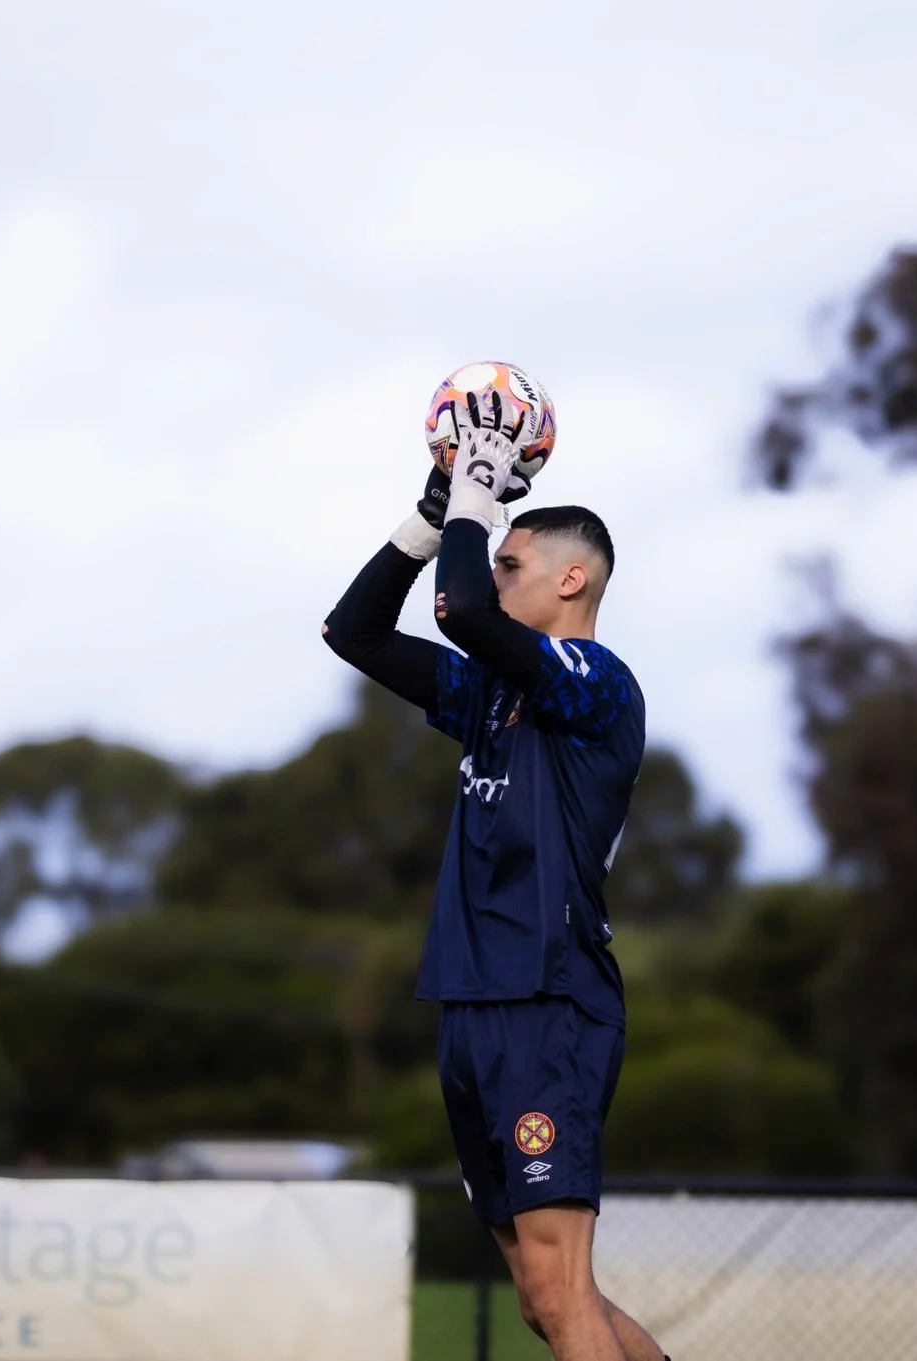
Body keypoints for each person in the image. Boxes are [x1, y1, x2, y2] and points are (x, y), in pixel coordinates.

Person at [322, 388, 668, 1361]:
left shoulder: (597, 681)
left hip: (545, 996)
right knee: (543, 1295)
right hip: (475, 1002)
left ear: (569, 582)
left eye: (509, 559)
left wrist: (478, 491)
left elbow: (461, 607)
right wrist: (433, 515)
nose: (483, 570)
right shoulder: (493, 694)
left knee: (562, 1294)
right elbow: (352, 631)